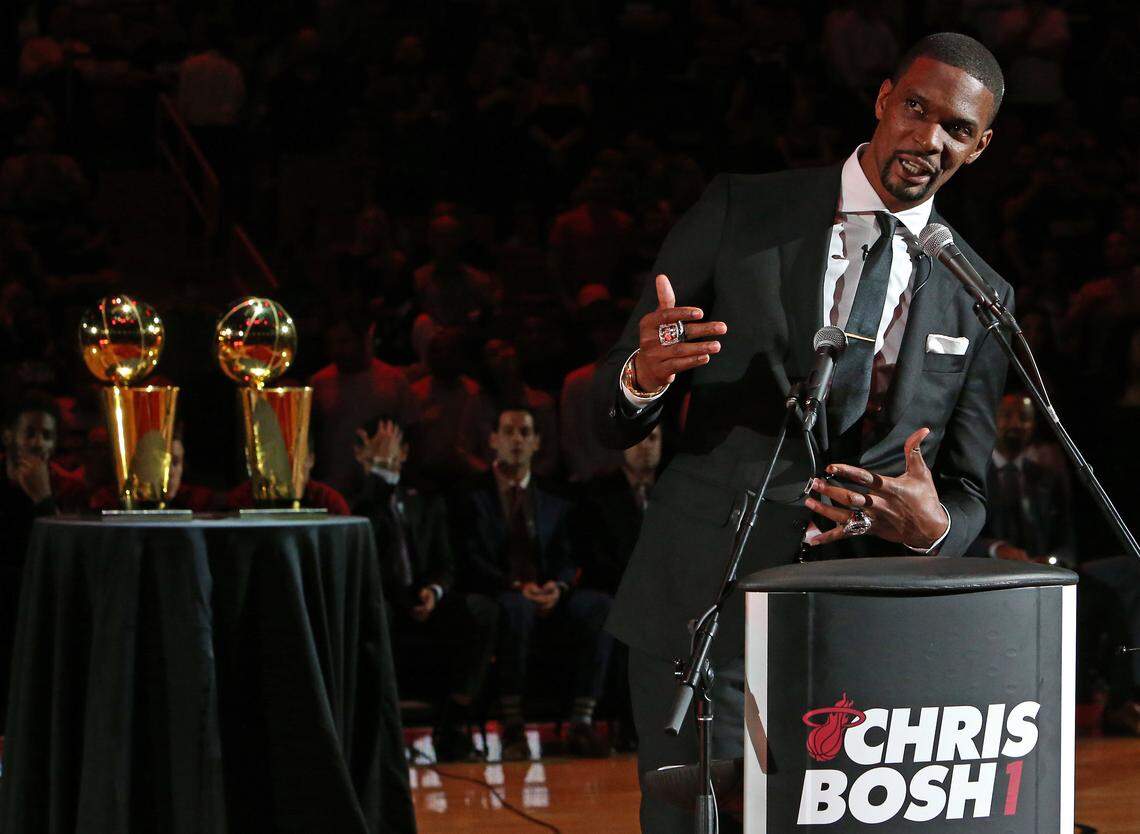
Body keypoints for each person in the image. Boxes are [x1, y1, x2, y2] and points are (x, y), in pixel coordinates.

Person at [592, 34, 1012, 831]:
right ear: (883, 99)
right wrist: (643, 375)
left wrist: (934, 529)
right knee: (697, 819)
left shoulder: (980, 296)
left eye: (957, 129)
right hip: (703, 600)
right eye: (916, 108)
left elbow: (965, 491)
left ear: (980, 146)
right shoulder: (742, 211)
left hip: (858, 625)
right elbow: (611, 403)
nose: (929, 138)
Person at [452, 406, 613, 759]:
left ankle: (582, 721)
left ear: (537, 442)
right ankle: (513, 725)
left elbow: (570, 555)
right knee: (516, 609)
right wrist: (513, 586)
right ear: (493, 439)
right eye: (508, 432)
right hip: (502, 592)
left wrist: (560, 586)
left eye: (525, 432)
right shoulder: (471, 495)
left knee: (600, 607)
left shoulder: (555, 496)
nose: (516, 440)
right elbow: (470, 558)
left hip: (547, 592)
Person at [353, 417, 498, 762]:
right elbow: (367, 547)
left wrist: (434, 591)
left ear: (405, 452)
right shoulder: (355, 501)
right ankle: (382, 735)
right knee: (375, 615)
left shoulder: (426, 498)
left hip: (424, 601)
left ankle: (453, 723)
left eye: (393, 448)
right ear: (360, 454)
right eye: (377, 449)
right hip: (384, 603)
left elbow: (446, 563)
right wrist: (380, 476)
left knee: (482, 611)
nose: (386, 455)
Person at [0, 392, 86, 730]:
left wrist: (43, 499)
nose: (38, 443)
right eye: (30, 433)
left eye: (47, 435)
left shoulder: (65, 490)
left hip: (36, 611)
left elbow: (63, 559)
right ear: (9, 436)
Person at [310, 314, 419, 505]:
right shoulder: (319, 383)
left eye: (344, 342)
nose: (338, 349)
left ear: (363, 340)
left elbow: (412, 431)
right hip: (334, 485)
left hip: (382, 485)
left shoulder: (393, 381)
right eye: (333, 343)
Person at [966, 393, 1075, 565]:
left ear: (1033, 425)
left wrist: (1052, 560)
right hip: (985, 571)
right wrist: (995, 549)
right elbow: (958, 535)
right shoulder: (971, 475)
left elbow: (1066, 540)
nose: (1016, 424)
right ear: (991, 421)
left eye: (1024, 418)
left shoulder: (1046, 477)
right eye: (1006, 416)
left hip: (1039, 573)